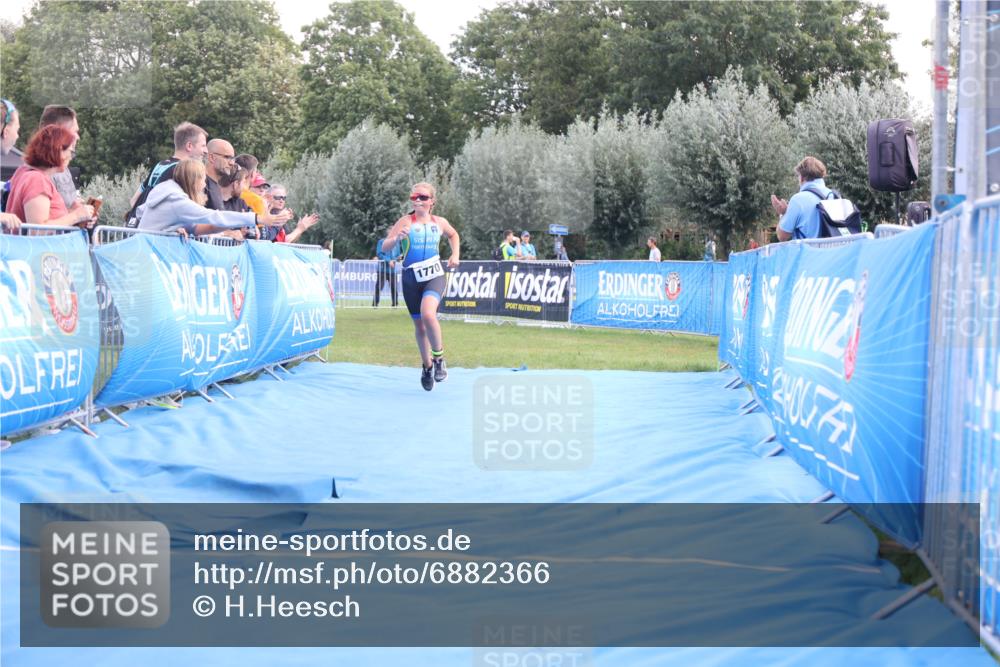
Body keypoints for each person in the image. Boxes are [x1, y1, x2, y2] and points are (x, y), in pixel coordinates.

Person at [382, 182, 460, 391]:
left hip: (434, 275)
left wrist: (455, 254)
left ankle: (439, 358)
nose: (418, 200)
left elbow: (453, 235)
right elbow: (385, 246)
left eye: (423, 197)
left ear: (432, 201)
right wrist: (397, 238)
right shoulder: (405, 221)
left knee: (428, 314)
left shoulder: (439, 222)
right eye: (415, 197)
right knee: (419, 326)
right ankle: (426, 367)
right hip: (410, 279)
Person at [135, 159, 263, 236]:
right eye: (203, 178)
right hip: (148, 254)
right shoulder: (177, 201)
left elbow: (140, 212)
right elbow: (212, 217)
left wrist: (173, 229)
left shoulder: (166, 191)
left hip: (146, 248)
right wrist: (256, 218)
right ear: (194, 180)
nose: (204, 184)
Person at [5, 125, 94, 227]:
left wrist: (71, 212)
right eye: (70, 151)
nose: (71, 157)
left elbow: (47, 220)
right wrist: (76, 216)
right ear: (59, 150)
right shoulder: (37, 180)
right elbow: (38, 229)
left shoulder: (24, 172)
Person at [125, 122, 208, 225]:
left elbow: (134, 200)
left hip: (135, 227)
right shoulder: (182, 170)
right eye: (203, 146)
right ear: (189, 146)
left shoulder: (160, 165)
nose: (206, 151)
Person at [771, 156, 832, 241]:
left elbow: (782, 236)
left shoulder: (798, 200)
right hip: (836, 252)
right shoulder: (834, 195)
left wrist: (784, 213)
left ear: (802, 177)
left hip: (809, 253)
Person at [37, 106, 81, 209]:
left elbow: (65, 209)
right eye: (74, 131)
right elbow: (41, 223)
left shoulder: (63, 168)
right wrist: (76, 215)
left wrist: (82, 214)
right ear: (58, 131)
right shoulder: (37, 174)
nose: (78, 137)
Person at [204, 138, 237, 210]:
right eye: (227, 157)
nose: (232, 163)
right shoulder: (201, 184)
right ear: (211, 157)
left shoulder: (215, 186)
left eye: (233, 158)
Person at [373, 235, 401, 308]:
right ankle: (375, 304)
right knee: (379, 287)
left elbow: (397, 254)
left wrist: (397, 258)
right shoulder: (381, 242)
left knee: (394, 287)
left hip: (392, 270)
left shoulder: (397, 243)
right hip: (382, 269)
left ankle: (395, 304)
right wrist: (389, 261)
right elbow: (379, 254)